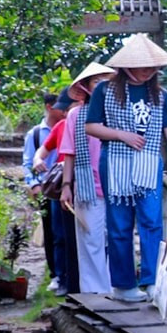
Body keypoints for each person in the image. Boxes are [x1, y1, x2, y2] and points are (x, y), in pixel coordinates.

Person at [84, 34, 167, 302]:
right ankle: (123, 286)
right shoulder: (104, 90)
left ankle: (151, 281)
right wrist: (121, 134)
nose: (147, 71)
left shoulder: (161, 96)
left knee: (152, 222)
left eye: (152, 67)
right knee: (119, 225)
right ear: (126, 65)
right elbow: (91, 126)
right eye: (141, 66)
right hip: (115, 163)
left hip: (149, 164)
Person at [56, 62, 117, 295]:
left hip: (117, 185)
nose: (102, 85)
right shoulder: (75, 115)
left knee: (118, 239)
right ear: (86, 87)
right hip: (87, 186)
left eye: (106, 80)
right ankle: (96, 295)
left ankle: (117, 289)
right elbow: (69, 152)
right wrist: (66, 186)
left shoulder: (117, 111)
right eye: (96, 81)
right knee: (90, 241)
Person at [21, 92, 63, 292]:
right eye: (59, 105)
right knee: (51, 231)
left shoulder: (68, 126)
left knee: (65, 231)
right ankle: (55, 273)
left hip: (66, 185)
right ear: (49, 106)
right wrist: (34, 184)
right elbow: (28, 162)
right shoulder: (36, 134)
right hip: (47, 188)